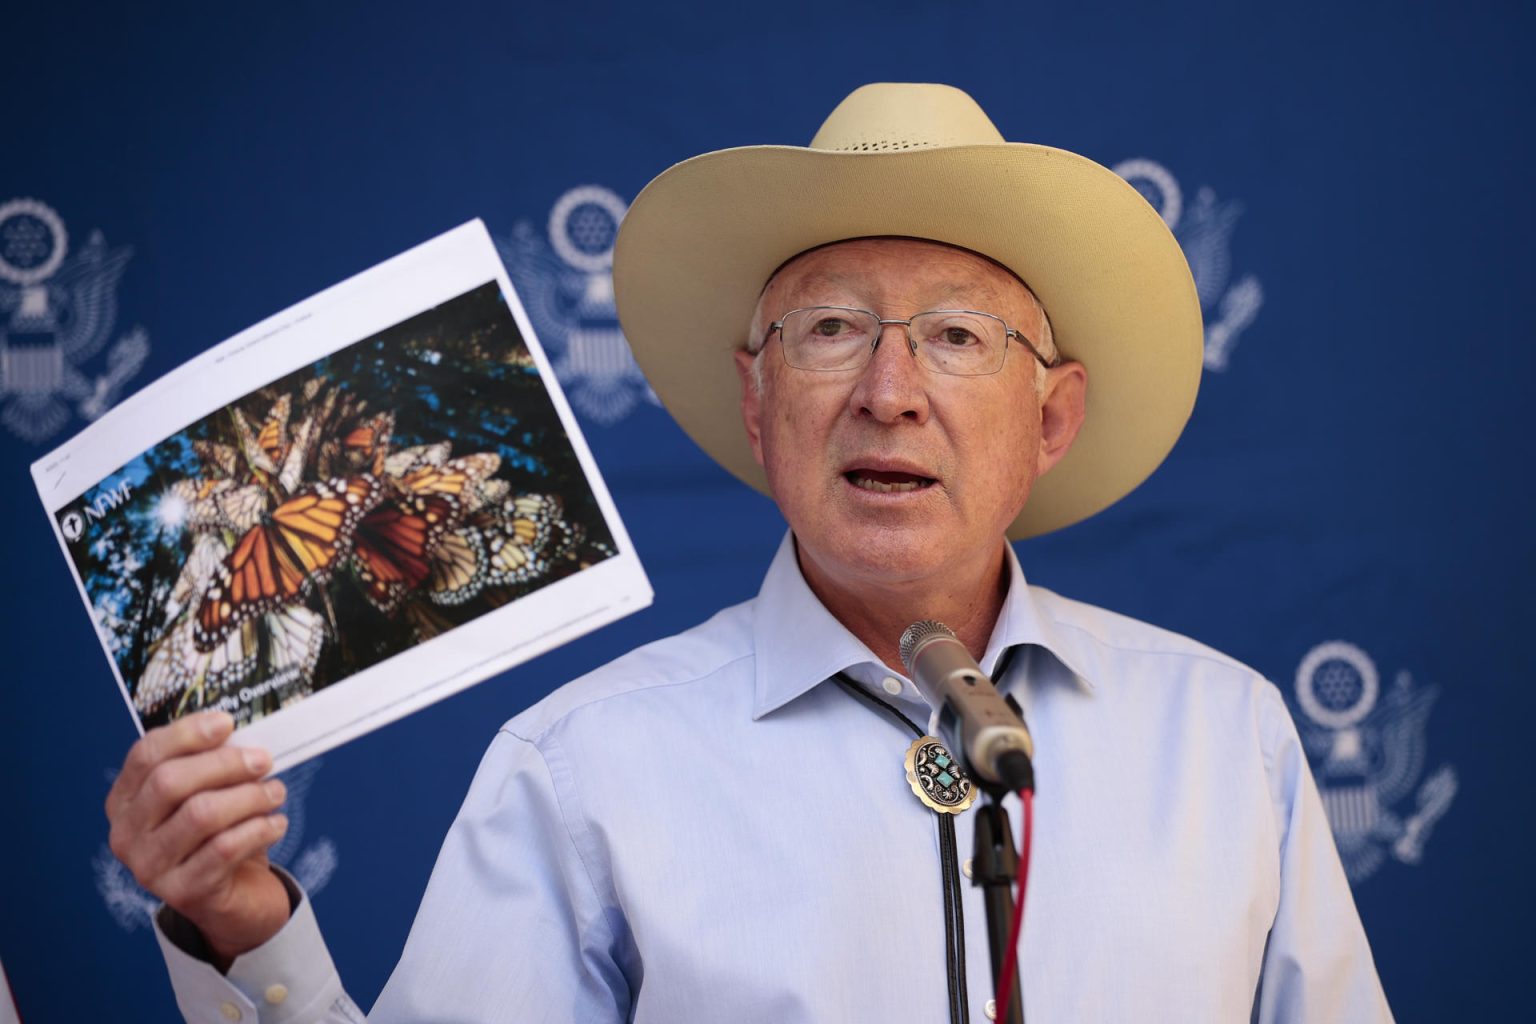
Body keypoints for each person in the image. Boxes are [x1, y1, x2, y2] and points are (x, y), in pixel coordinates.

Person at [106, 83, 1394, 1022]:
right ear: (756, 402)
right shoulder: (587, 765)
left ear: (1050, 416)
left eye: (955, 336)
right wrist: (246, 929)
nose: (888, 391)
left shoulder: (1229, 740)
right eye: (830, 330)